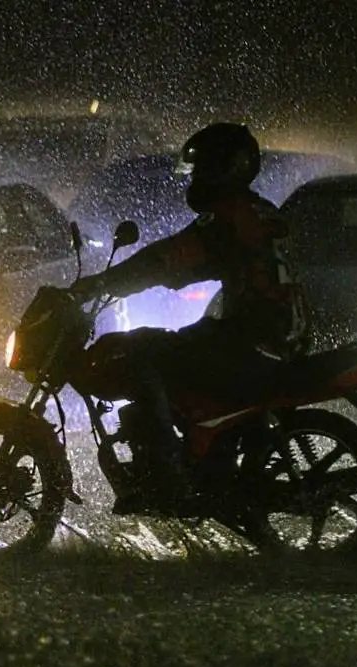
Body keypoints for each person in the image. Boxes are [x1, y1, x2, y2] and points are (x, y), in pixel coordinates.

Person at [69, 122, 309, 515]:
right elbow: (196, 263)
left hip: (253, 339)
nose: (195, 180)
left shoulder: (229, 218)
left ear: (223, 169)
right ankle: (203, 452)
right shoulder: (261, 212)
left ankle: (168, 475)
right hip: (280, 333)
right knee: (174, 344)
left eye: (201, 170)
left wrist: (102, 283)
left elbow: (169, 258)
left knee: (143, 351)